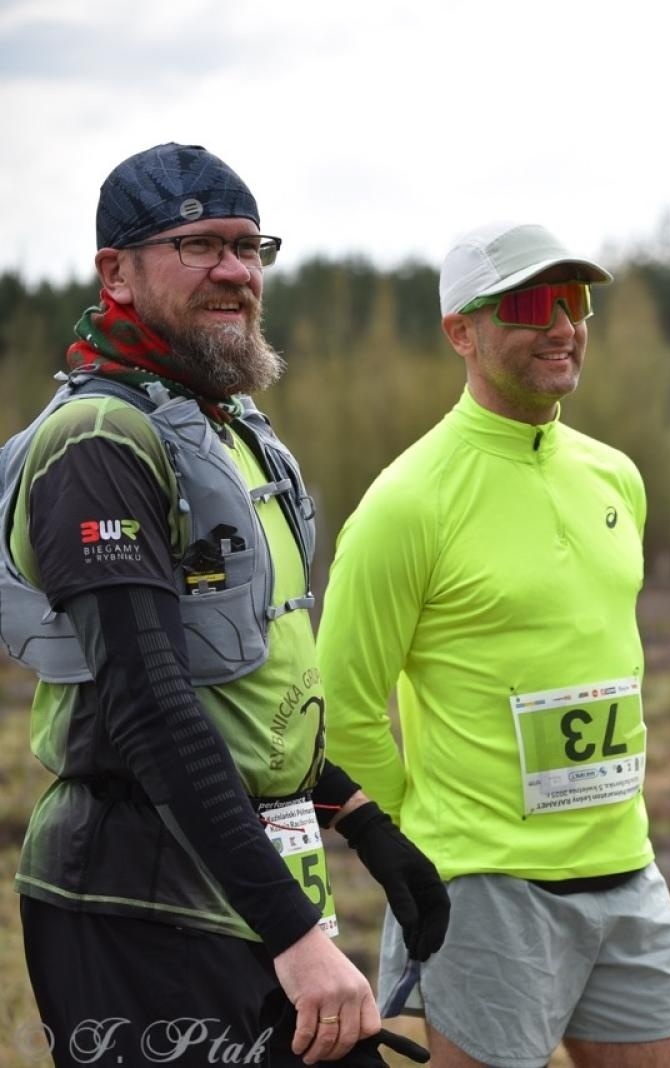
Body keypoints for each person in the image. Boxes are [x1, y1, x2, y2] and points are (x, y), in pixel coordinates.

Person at [1, 143, 450, 1067]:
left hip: (236, 877)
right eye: (199, 245)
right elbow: (152, 709)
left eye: (251, 248)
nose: (237, 272)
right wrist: (295, 936)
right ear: (115, 273)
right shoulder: (99, 443)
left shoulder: (225, 429)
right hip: (137, 902)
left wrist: (364, 822)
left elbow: (240, 682)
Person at [318, 221, 670, 1067]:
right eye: (531, 304)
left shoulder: (615, 476)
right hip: (484, 894)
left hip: (627, 870)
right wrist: (415, 841)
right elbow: (341, 704)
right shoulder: (405, 504)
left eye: (576, 299)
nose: (563, 325)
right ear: (461, 330)